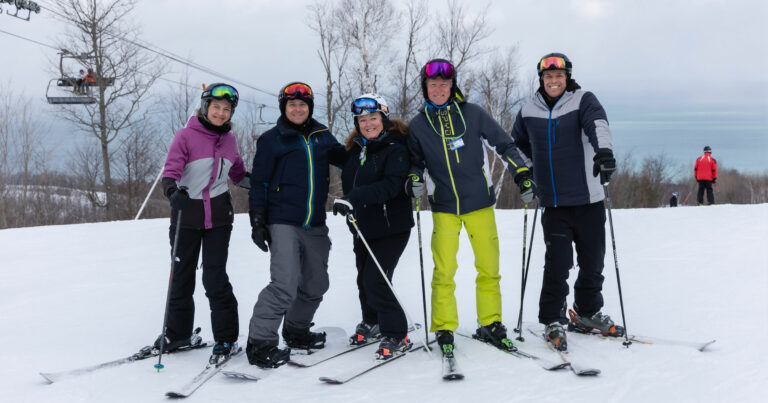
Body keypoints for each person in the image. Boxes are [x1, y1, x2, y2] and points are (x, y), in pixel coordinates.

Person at [406, 58, 533, 356]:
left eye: (444, 84)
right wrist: (413, 177)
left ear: (453, 86)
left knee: (489, 268)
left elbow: (504, 144)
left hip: (480, 205)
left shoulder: (472, 114)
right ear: (425, 88)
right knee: (444, 271)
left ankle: (490, 323)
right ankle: (444, 327)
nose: (439, 89)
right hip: (444, 208)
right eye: (433, 85)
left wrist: (523, 174)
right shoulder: (418, 125)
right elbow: (415, 162)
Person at [511, 52, 624, 351]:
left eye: (558, 76)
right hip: (554, 202)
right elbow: (515, 146)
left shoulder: (583, 100)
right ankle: (552, 319)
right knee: (557, 265)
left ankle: (586, 313)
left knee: (593, 262)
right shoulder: (527, 110)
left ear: (567, 77)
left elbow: (597, 124)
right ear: (542, 79)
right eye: (548, 77)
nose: (553, 81)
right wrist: (527, 172)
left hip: (589, 199)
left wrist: (604, 153)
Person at [246, 81, 346, 368]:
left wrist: (370, 146)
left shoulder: (321, 135)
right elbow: (260, 183)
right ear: (284, 108)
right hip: (283, 222)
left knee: (316, 283)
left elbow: (346, 160)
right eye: (292, 105)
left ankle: (296, 330)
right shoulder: (272, 139)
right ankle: (261, 343)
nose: (298, 108)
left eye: (303, 104)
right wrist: (258, 220)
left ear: (309, 108)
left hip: (315, 223)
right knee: (284, 285)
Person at [156, 83, 249, 364]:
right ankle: (178, 333)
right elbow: (170, 171)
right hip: (187, 216)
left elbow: (238, 172)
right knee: (181, 278)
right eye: (216, 107)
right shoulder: (186, 136)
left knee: (215, 278)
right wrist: (174, 192)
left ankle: (225, 339)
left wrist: (263, 185)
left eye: (226, 109)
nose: (220, 113)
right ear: (206, 107)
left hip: (219, 219)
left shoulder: (230, 140)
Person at [331, 94, 414, 360]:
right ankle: (373, 321)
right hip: (364, 226)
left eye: (373, 118)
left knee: (377, 280)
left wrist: (353, 199)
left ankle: (397, 332)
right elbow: (350, 181)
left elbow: (391, 186)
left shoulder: (396, 147)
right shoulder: (355, 149)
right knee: (363, 279)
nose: (368, 124)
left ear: (384, 119)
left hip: (392, 227)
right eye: (363, 120)